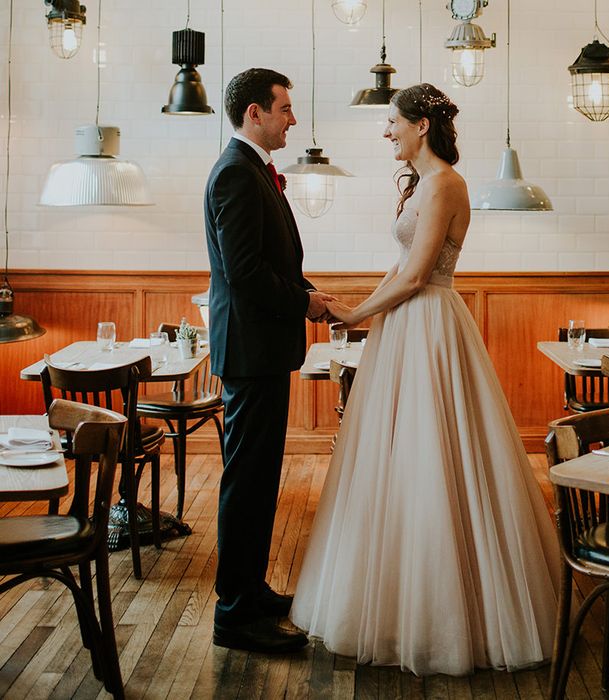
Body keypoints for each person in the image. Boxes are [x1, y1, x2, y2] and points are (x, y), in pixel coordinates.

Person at [289, 83, 560, 676]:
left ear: (420, 126)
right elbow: (400, 267)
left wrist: (355, 315)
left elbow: (416, 278)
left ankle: (451, 611)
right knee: (397, 454)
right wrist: (361, 304)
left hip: (431, 323)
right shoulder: (421, 185)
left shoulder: (446, 185)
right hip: (405, 326)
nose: (386, 132)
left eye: (392, 122)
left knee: (439, 449)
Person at [204, 68, 333, 653]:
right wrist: (303, 303)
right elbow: (245, 273)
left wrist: (310, 291)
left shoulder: (254, 171)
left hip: (261, 349)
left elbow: (270, 262)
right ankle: (234, 614)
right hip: (250, 351)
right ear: (254, 113)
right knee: (246, 483)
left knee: (257, 482)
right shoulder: (235, 173)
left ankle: (250, 591)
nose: (293, 118)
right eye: (284, 108)